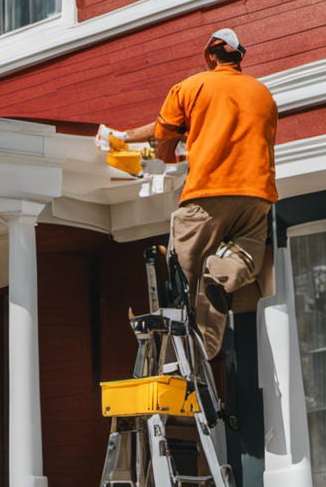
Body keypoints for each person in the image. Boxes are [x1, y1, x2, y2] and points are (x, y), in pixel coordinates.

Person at [100, 28, 278, 359]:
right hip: (256, 196)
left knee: (185, 280)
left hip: (207, 193)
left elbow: (161, 134)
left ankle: (178, 359)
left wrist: (124, 137)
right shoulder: (263, 93)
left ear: (212, 55)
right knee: (242, 262)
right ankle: (208, 343)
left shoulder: (192, 87)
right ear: (238, 58)